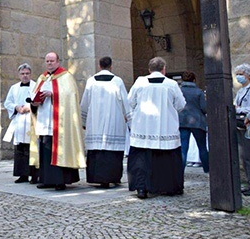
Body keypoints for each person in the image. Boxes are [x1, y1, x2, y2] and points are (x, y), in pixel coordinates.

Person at [127, 57, 186, 199]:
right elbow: (181, 105)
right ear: (164, 69)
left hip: (143, 127)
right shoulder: (171, 84)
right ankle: (168, 187)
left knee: (142, 161)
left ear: (149, 69)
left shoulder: (140, 82)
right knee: (166, 160)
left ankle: (142, 188)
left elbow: (130, 101)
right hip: (165, 128)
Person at [29, 52, 85, 191]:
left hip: (59, 123)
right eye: (47, 61)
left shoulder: (66, 77)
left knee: (58, 150)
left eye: (52, 61)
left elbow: (70, 96)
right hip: (43, 120)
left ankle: (60, 180)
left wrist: (54, 94)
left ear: (58, 62)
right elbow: (33, 96)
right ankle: (46, 179)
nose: (49, 63)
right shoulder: (42, 78)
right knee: (45, 150)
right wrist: (34, 103)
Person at [80, 56, 130, 188]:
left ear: (99, 66)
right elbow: (125, 101)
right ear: (111, 66)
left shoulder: (91, 81)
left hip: (95, 121)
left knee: (97, 150)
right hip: (113, 121)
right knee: (112, 151)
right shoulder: (117, 81)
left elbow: (85, 102)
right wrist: (130, 118)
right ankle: (113, 177)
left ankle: (96, 177)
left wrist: (83, 120)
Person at [3, 63, 38, 184]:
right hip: (19, 120)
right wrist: (16, 107)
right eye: (22, 74)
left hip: (31, 119)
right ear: (19, 75)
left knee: (31, 148)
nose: (25, 76)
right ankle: (22, 174)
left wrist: (28, 107)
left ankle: (34, 175)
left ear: (30, 74)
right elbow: (8, 103)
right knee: (20, 148)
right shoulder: (14, 88)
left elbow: (38, 101)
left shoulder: (36, 86)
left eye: (27, 73)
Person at [178, 71, 209, 173]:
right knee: (202, 147)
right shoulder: (198, 92)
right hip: (197, 122)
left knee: (183, 147)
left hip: (182, 121)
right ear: (194, 80)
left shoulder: (179, 91)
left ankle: (180, 171)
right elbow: (204, 108)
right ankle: (207, 169)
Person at [234, 63, 250, 195]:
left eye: (241, 74)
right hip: (240, 124)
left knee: (247, 156)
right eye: (237, 74)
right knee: (244, 156)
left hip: (247, 122)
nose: (239, 77)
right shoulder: (240, 91)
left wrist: (239, 109)